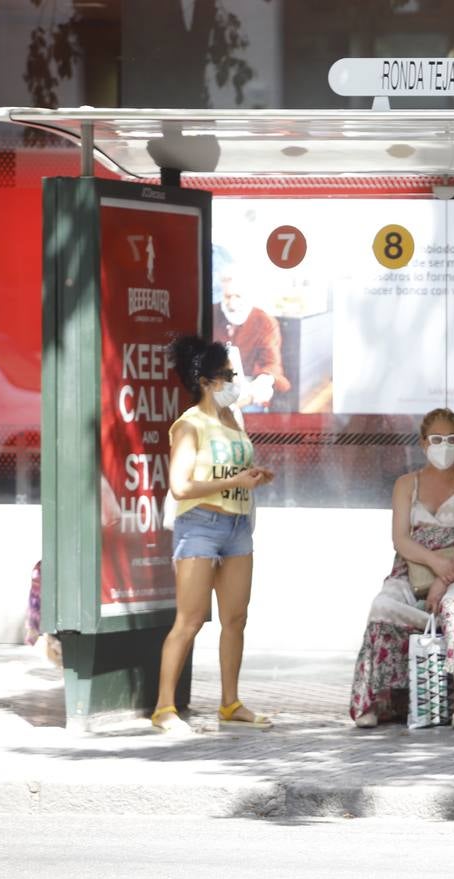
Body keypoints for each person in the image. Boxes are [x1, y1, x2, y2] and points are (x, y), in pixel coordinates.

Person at [152, 336, 275, 735]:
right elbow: (181, 486)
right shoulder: (190, 424)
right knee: (189, 620)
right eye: (227, 376)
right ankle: (164, 708)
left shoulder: (232, 421)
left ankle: (230, 702)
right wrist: (233, 482)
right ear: (205, 381)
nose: (234, 382)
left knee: (235, 618)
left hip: (238, 526)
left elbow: (231, 473)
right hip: (200, 527)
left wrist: (252, 477)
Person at [349, 408, 454, 729]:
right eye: (437, 439)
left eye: (452, 439)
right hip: (410, 571)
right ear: (424, 443)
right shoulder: (406, 484)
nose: (445, 446)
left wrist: (446, 576)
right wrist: (437, 564)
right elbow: (400, 539)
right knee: (382, 605)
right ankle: (377, 699)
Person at [215, 259, 290, 411]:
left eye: (238, 296)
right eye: (228, 297)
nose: (232, 304)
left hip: (250, 389)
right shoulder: (211, 314)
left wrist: (262, 381)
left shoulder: (265, 322)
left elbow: (272, 364)